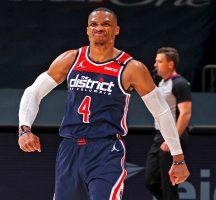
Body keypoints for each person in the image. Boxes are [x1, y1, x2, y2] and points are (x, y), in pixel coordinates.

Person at [17, 8, 190, 200]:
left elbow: (162, 112)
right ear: (87, 30)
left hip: (106, 150)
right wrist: (24, 129)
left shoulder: (131, 68)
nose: (99, 28)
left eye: (106, 24)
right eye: (94, 24)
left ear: (116, 30)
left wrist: (178, 158)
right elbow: (33, 92)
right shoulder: (71, 59)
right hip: (69, 148)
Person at [145, 47, 192, 200]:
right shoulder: (162, 84)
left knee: (169, 183)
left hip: (172, 136)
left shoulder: (180, 83)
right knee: (151, 181)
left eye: (159, 61)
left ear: (170, 64)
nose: (155, 64)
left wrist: (172, 140)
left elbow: (185, 113)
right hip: (160, 136)